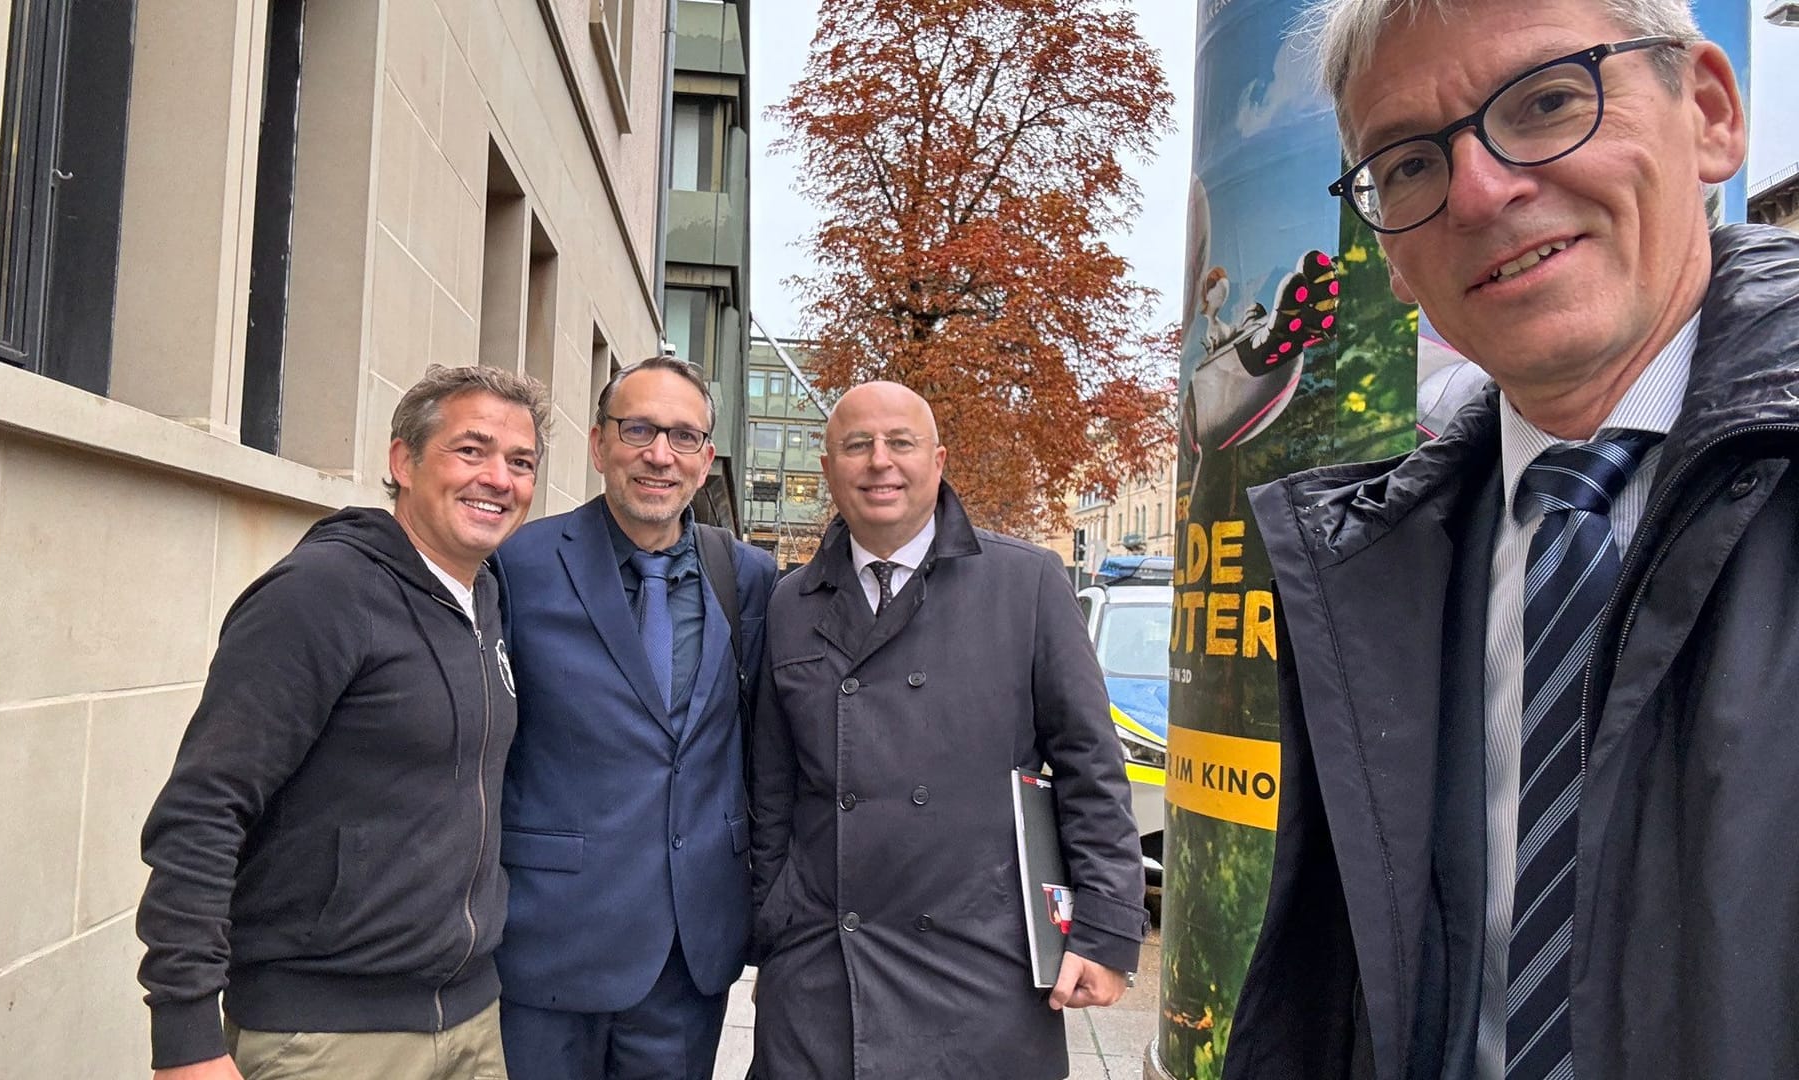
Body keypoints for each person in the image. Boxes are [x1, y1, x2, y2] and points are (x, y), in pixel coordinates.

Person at [1227, 1, 1799, 1078]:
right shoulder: (1375, 567)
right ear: (1392, 258)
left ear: (1712, 113)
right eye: (1407, 165)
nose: (1483, 191)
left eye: (1546, 101)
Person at [136, 364, 548, 1080]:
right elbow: (203, 809)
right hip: (325, 1036)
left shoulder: (484, 602)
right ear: (403, 461)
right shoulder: (323, 593)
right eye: (471, 450)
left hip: (472, 1022)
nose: (498, 479)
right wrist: (186, 1036)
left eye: (520, 463)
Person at [746, 381, 1148, 1079]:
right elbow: (771, 791)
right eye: (857, 445)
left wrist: (1106, 932)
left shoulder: (1027, 583)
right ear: (829, 468)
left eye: (900, 443)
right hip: (822, 971)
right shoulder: (791, 601)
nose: (880, 462)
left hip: (980, 967)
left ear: (939, 460)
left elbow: (1090, 767)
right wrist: (772, 920)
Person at [489, 356, 776, 1080]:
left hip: (687, 956)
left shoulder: (746, 579)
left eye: (683, 437)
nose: (659, 454)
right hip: (547, 942)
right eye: (639, 428)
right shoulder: (515, 564)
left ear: (706, 460)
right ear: (598, 444)